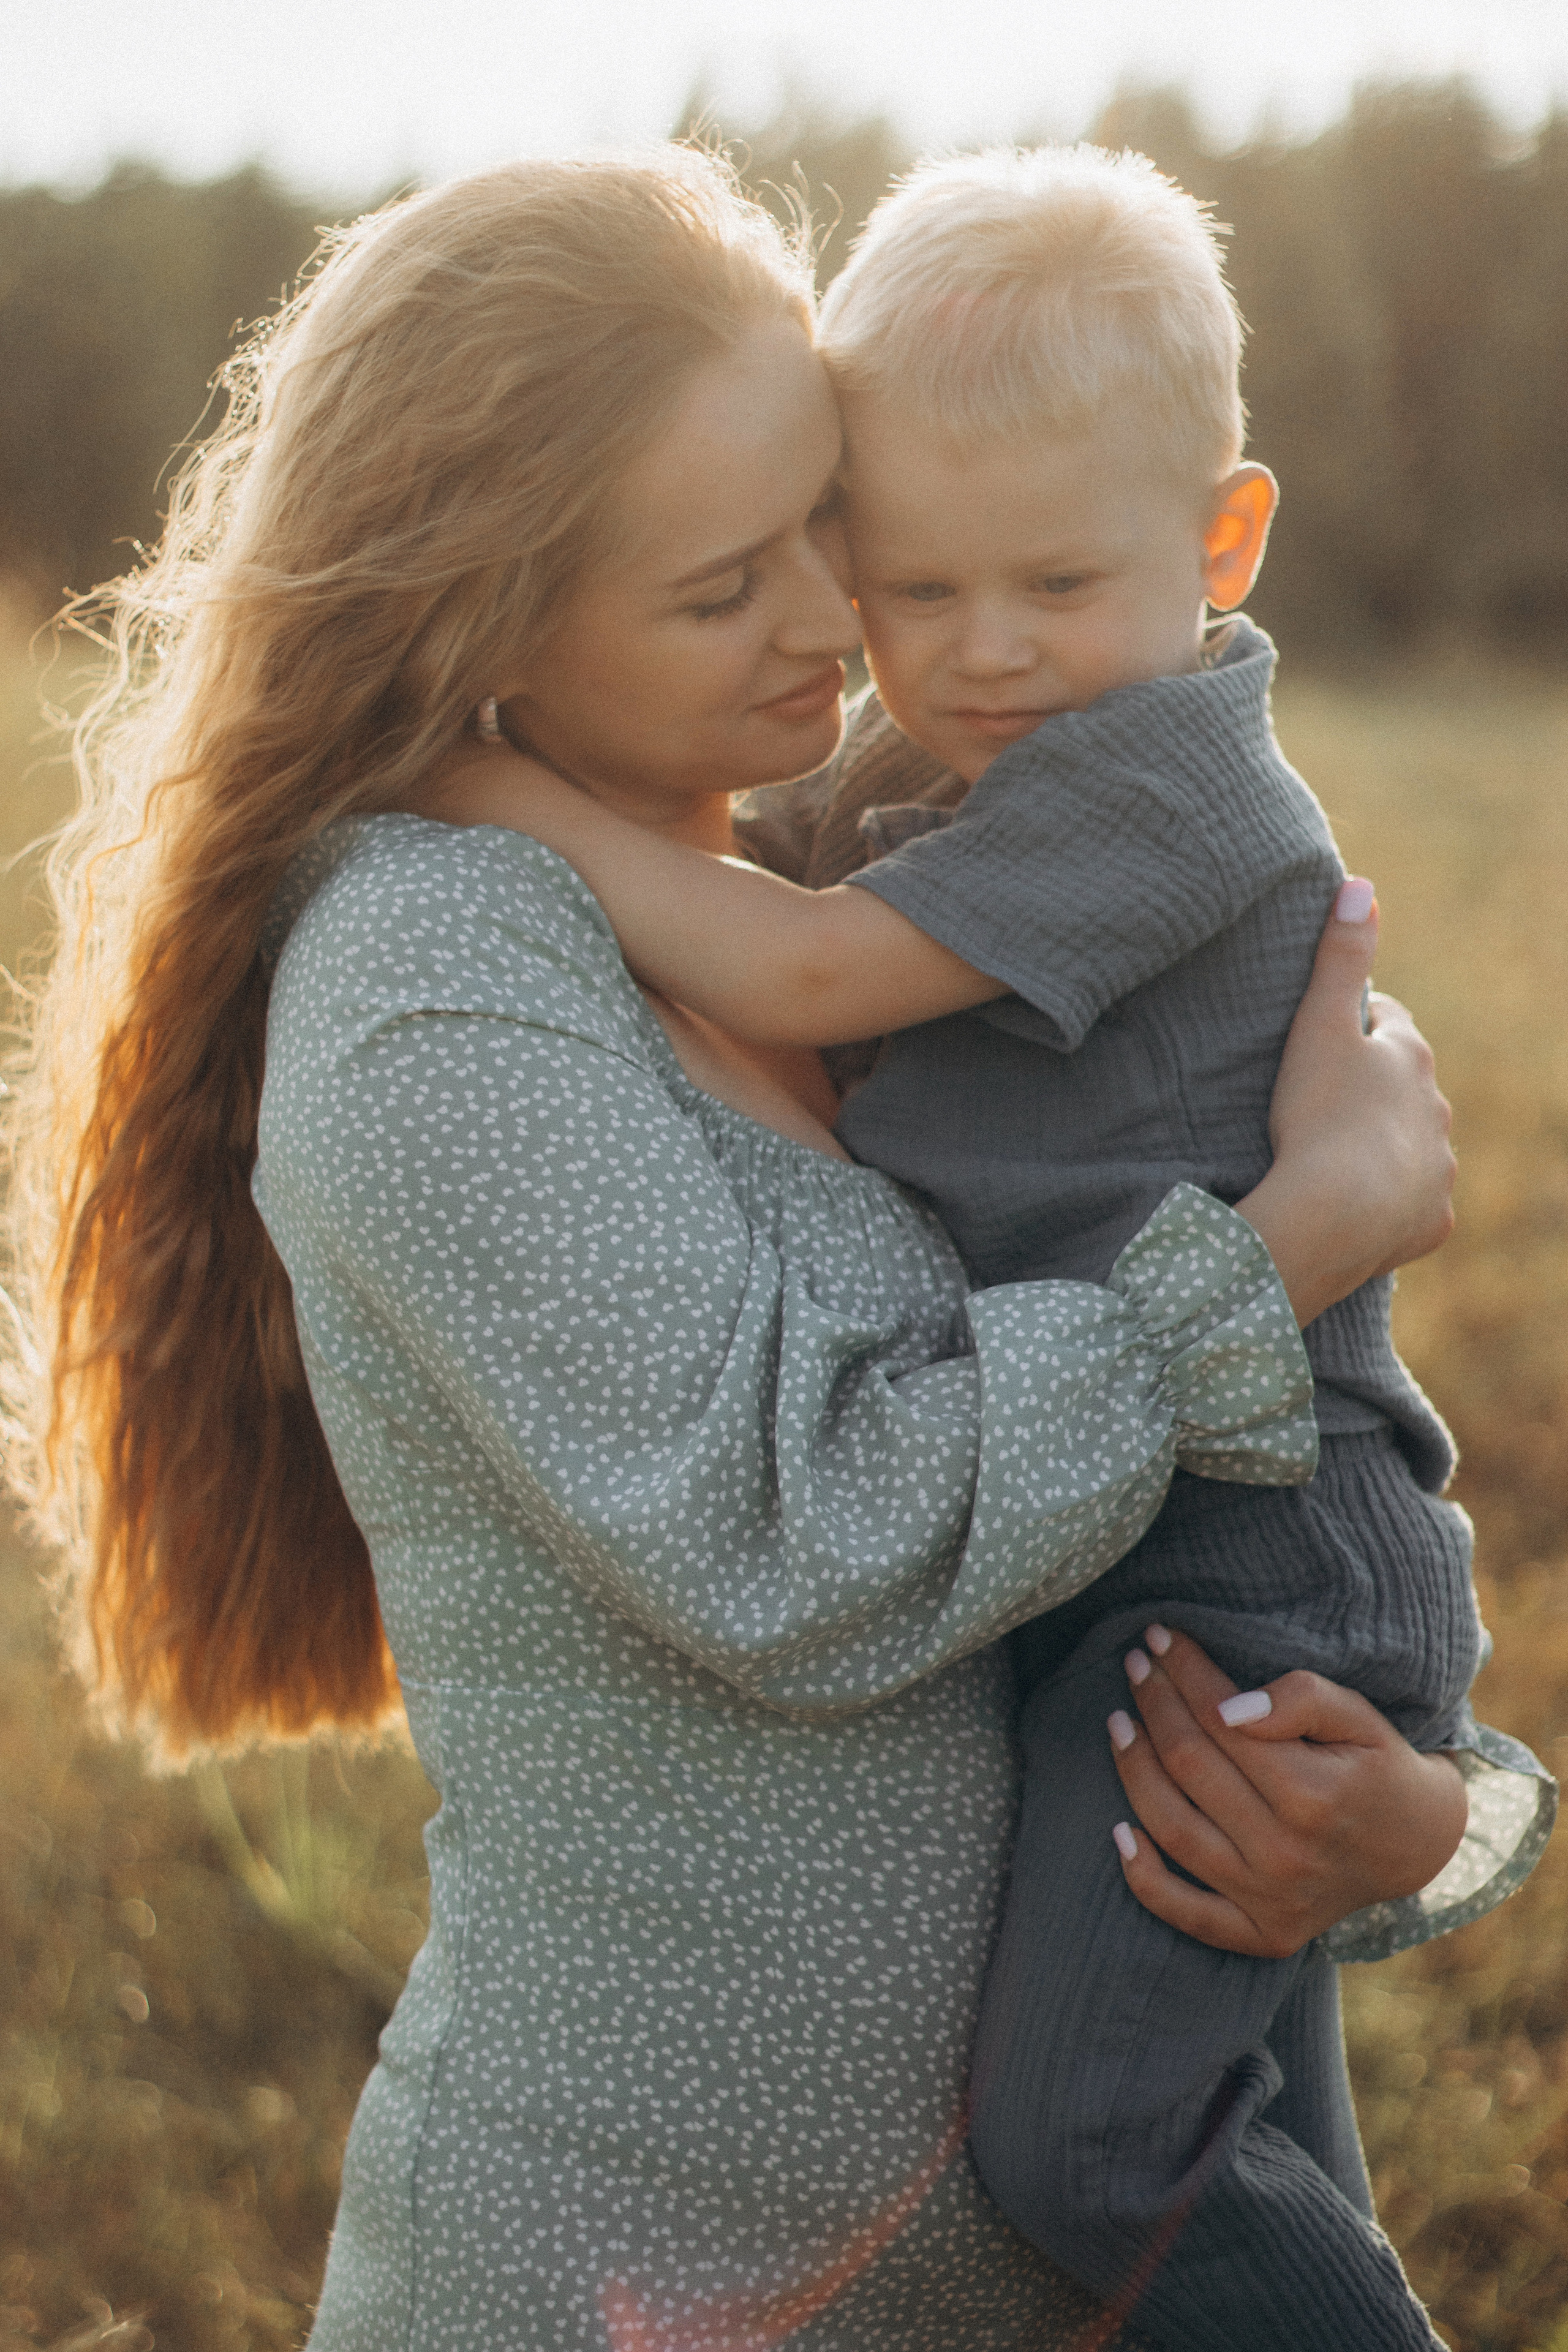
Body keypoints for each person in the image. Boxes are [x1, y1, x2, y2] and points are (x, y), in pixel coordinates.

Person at [1, 148, 1503, 2352]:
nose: (841, 616)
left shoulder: (891, 861)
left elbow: (1212, 1538)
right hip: (646, 2281)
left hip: (1075, 2245)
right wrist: (1283, 1241)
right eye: (730, 583)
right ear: (484, 616)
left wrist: (1426, 1825)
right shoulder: (445, 969)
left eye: (827, 512)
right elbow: (801, 1542)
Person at [428, 148, 1556, 2350]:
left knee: (1099, 2144)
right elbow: (785, 857)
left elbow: (818, 974)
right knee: (1234, 2114)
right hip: (1124, 1512)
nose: (982, 652)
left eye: (1053, 577)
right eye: (914, 586)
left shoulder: (1169, 777)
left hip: (1249, 1556)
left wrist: (490, 794)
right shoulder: (955, 748)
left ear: (1222, 542)